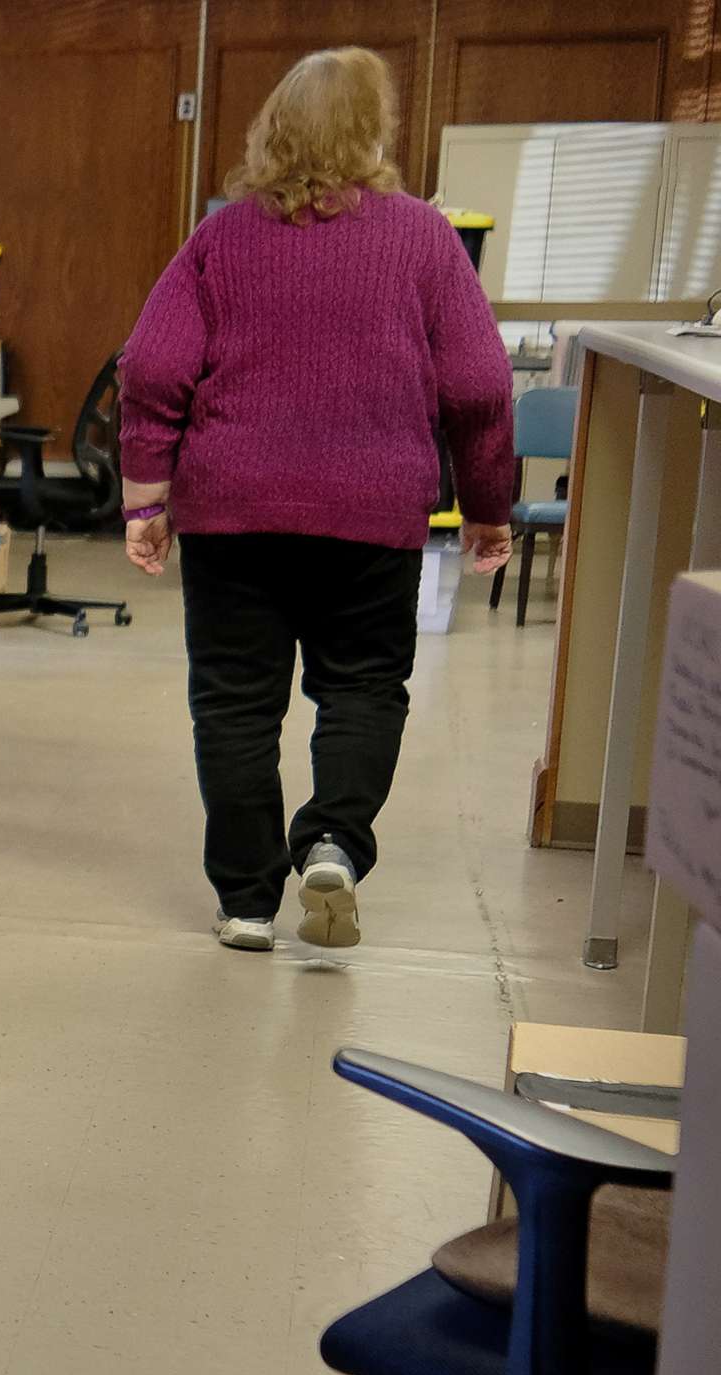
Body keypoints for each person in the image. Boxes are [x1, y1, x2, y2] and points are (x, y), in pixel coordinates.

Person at [119, 45, 514, 954]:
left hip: (234, 510)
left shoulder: (221, 237)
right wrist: (489, 502)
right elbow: (482, 383)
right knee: (365, 686)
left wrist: (146, 501)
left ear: (273, 131)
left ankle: (248, 902)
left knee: (234, 702)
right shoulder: (424, 237)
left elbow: (151, 365)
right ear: (374, 133)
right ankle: (334, 837)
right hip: (373, 514)